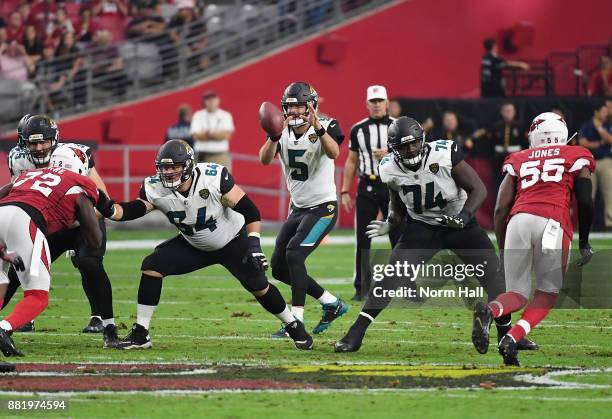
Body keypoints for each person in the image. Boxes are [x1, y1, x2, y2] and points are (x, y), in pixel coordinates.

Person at [334, 117, 536, 353]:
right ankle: (355, 333)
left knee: (494, 278)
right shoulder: (388, 167)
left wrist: (464, 216)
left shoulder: (444, 153)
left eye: (413, 144)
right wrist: (390, 222)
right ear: (393, 148)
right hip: (422, 228)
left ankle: (508, 336)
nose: (410, 150)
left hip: (460, 225)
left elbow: (478, 188)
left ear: (423, 140)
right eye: (402, 146)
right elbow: (397, 202)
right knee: (391, 277)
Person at [97, 140, 313, 350]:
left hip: (232, 241)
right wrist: (109, 208)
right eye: (165, 168)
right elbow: (130, 211)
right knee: (152, 265)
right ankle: (141, 333)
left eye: (174, 167)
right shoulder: (155, 187)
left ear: (188, 165)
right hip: (194, 244)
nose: (169, 172)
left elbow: (251, 211)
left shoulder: (212, 178)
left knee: (259, 286)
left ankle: (293, 325)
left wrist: (254, 245)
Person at [473, 112, 595, 366]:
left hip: (518, 220)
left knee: (516, 293)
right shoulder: (575, 154)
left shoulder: (519, 157)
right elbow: (585, 199)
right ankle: (512, 338)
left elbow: (499, 208)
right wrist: (584, 240)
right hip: (552, 221)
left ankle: (491, 310)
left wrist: (504, 248)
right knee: (547, 293)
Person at [5, 114, 118, 346]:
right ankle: (15, 321)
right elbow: (16, 193)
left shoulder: (71, 156)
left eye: (43, 142)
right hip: (45, 221)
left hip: (80, 219)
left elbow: (99, 199)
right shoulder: (18, 159)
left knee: (89, 261)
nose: (38, 148)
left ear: (54, 140)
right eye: (32, 143)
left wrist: (78, 222)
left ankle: (104, 322)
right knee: (20, 267)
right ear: (23, 143)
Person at [259, 81, 348, 339]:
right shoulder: (282, 130)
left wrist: (318, 126)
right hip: (298, 208)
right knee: (278, 267)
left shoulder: (327, 125)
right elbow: (265, 159)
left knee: (294, 255)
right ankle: (331, 303)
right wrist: (274, 136)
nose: (295, 112)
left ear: (312, 106)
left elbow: (334, 152)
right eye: (291, 107)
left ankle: (295, 322)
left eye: (300, 106)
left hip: (323, 207)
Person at [0, 145, 102, 357]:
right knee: (38, 296)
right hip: (25, 221)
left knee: (1, 283)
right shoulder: (80, 183)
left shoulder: (30, 173)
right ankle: (4, 329)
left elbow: (4, 192)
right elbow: (95, 240)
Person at [341, 85, 400, 300]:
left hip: (392, 186)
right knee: (363, 238)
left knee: (399, 236)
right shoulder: (358, 129)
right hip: (367, 185)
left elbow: (413, 154)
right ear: (367, 104)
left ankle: (405, 285)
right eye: (373, 101)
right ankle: (362, 288)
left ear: (387, 102)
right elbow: (351, 161)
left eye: (380, 101)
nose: (376, 105)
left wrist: (390, 152)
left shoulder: (398, 126)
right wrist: (345, 190)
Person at [578, 103, 612, 230]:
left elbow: (610, 140)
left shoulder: (608, 125)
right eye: (603, 111)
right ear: (596, 112)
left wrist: (600, 130)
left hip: (606, 162)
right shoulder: (587, 126)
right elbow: (582, 143)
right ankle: (587, 223)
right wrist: (599, 143)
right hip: (590, 163)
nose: (605, 114)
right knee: (588, 194)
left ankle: (610, 223)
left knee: (610, 193)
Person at [190, 90, 235, 168]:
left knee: (221, 179)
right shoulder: (198, 115)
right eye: (208, 99)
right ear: (204, 102)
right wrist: (216, 134)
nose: (210, 102)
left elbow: (227, 135)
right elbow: (195, 136)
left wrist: (206, 134)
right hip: (201, 156)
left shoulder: (225, 115)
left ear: (218, 100)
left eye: (213, 99)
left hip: (219, 155)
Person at [489, 103, 527, 187]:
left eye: (511, 111)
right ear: (502, 112)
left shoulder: (520, 126)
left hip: (516, 159)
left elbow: (524, 144)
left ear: (514, 112)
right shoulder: (495, 126)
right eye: (506, 111)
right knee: (499, 183)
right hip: (499, 160)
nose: (509, 113)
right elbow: (491, 144)